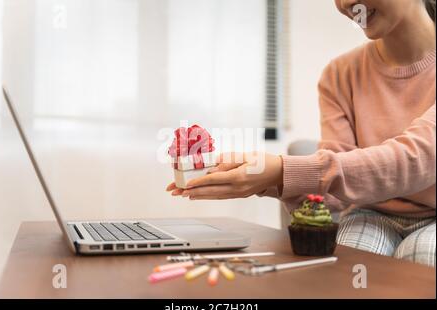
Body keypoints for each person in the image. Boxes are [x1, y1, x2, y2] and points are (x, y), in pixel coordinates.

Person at [166, 0, 436, 267]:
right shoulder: (340, 74)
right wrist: (262, 179)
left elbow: (417, 158)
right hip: (370, 213)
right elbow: (334, 191)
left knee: (421, 256)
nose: (346, 3)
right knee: (346, 263)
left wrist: (281, 170)